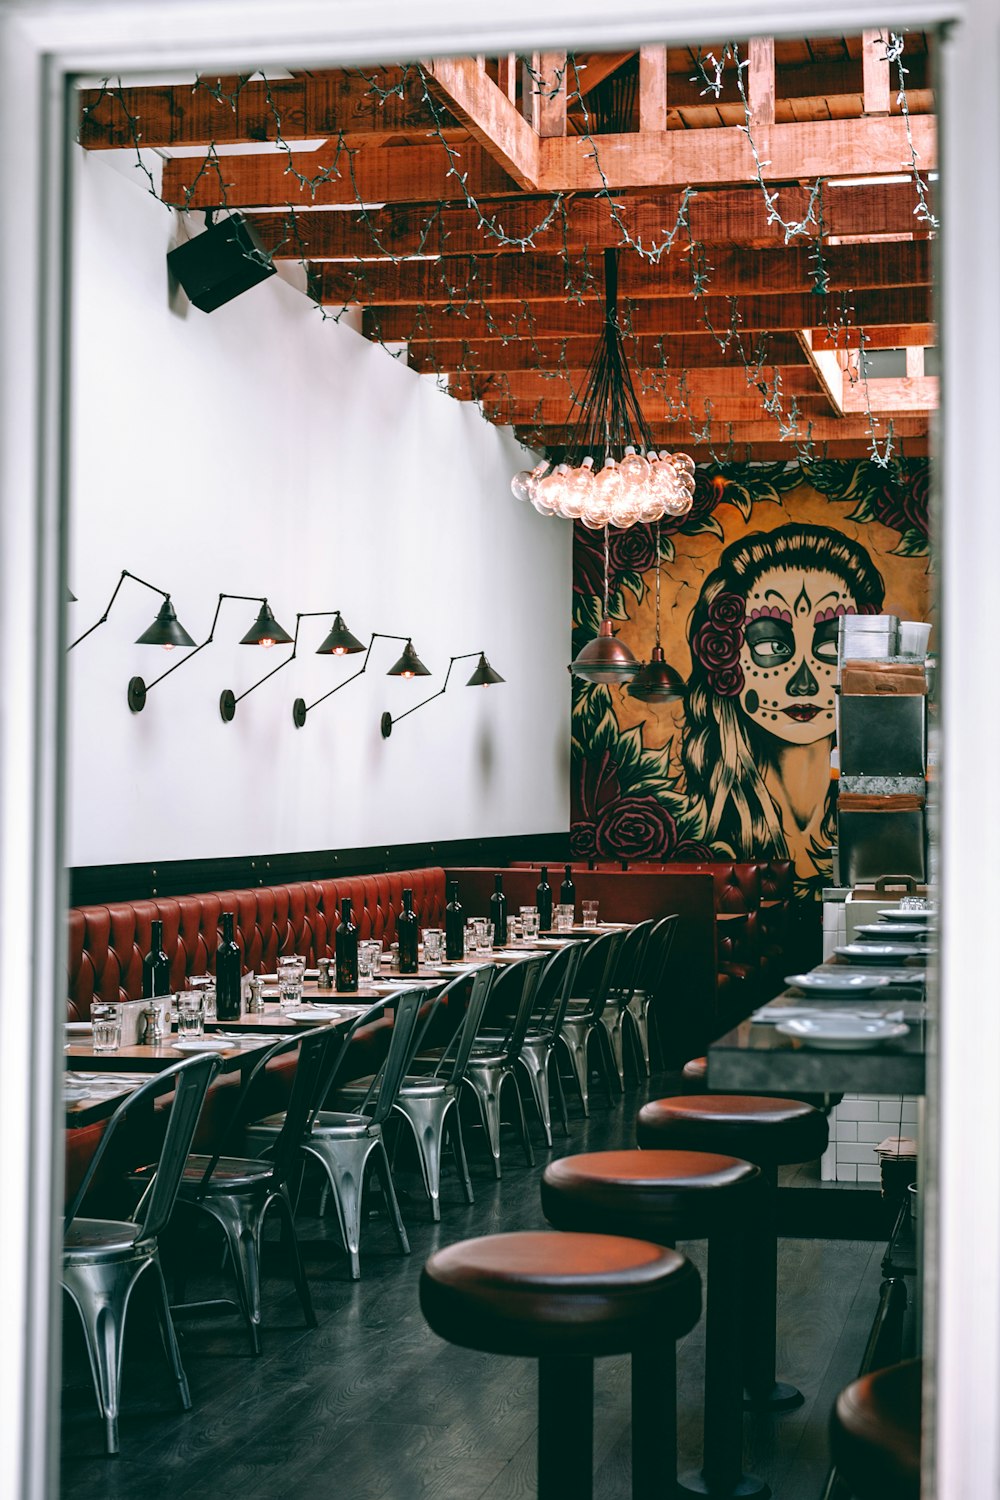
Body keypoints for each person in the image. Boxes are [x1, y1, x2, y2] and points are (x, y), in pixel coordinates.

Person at [682, 523, 885, 883]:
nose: (803, 681)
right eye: (772, 646)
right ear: (727, 657)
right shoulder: (695, 823)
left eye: (831, 647)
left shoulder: (880, 819)